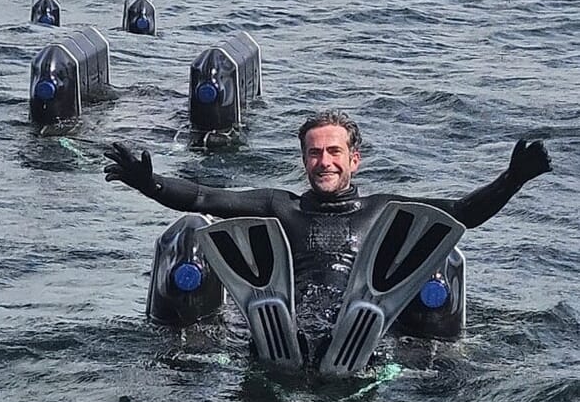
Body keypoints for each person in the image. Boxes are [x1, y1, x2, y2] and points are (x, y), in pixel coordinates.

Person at [104, 110, 552, 364]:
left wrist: (512, 179)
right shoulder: (280, 206)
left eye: (334, 151)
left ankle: (345, 341)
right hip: (288, 319)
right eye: (314, 153)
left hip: (355, 322)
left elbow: (460, 215)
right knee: (290, 332)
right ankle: (287, 342)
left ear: (354, 160)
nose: (324, 162)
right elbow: (205, 197)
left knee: (354, 328)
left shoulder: (383, 212)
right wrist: (150, 182)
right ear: (304, 160)